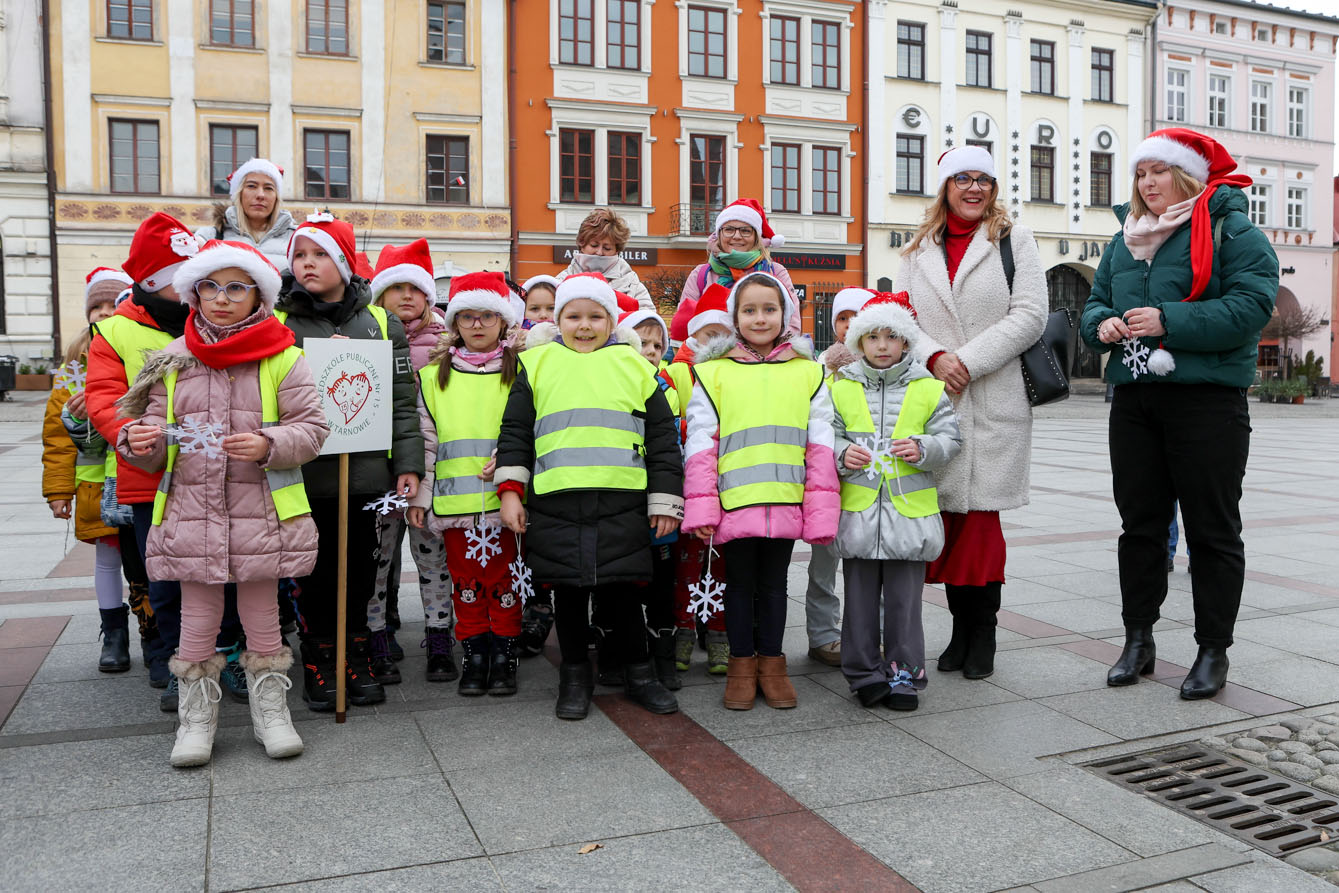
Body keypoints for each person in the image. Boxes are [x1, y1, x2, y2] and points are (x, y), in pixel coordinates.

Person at [118, 239, 328, 766]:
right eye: (210, 286)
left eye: (236, 287)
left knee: (261, 613)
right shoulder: (172, 360)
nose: (221, 297)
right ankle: (196, 721)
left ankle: (271, 712)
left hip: (264, 511)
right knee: (197, 616)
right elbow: (152, 433)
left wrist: (269, 443)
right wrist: (139, 441)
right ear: (194, 293)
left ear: (259, 295)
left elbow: (312, 429)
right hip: (192, 511)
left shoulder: (284, 357)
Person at [1082, 128, 1276, 699]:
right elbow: (1095, 302)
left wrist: (1169, 319)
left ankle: (1213, 650)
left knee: (1212, 530)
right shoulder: (1124, 238)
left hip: (1206, 401)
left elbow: (1251, 307)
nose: (1147, 183)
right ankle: (1137, 641)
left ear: (1186, 176)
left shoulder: (1232, 230)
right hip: (1135, 398)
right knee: (1140, 527)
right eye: (1141, 174)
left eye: (1158, 171)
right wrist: (1101, 325)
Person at [495, 273, 683, 721]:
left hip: (622, 501)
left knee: (623, 593)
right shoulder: (537, 365)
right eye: (573, 316)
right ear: (558, 321)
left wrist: (664, 501)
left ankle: (640, 674)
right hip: (557, 502)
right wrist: (510, 492)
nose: (584, 326)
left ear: (611, 322)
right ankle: (575, 677)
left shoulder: (635, 367)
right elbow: (516, 432)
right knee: (569, 595)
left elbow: (662, 440)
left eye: (595, 317)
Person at [894, 145, 1047, 681]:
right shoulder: (917, 249)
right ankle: (959, 632)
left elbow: (1030, 314)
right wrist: (935, 356)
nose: (974, 188)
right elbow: (899, 318)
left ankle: (982, 634)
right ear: (945, 187)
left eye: (984, 179)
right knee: (946, 520)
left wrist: (966, 361)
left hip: (992, 399)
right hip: (935, 400)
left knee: (980, 525)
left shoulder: (1014, 240)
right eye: (963, 178)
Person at [86, 213, 247, 711]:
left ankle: (231, 656)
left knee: (228, 572)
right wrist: (128, 432)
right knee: (167, 580)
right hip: (151, 478)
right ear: (153, 282)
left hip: (221, 474)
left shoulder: (221, 321)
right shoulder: (114, 331)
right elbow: (104, 397)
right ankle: (183, 663)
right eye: (179, 278)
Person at [274, 211, 424, 711]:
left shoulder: (380, 323)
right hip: (304, 473)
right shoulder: (278, 322)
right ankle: (319, 659)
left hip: (363, 474)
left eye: (320, 254)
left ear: (342, 261)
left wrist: (407, 463)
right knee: (313, 571)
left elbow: (402, 399)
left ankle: (356, 655)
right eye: (299, 254)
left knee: (362, 568)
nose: (307, 263)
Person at [683, 272, 839, 710]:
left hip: (785, 498)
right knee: (737, 586)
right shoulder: (712, 373)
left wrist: (820, 512)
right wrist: (703, 509)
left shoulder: (809, 372)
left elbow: (820, 445)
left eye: (769, 309)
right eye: (749, 310)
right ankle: (740, 666)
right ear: (735, 318)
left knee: (774, 586)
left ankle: (772, 664)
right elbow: (701, 445)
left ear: (785, 316)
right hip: (735, 501)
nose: (759, 318)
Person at [830, 293, 962, 711]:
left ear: (906, 341)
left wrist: (924, 448)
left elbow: (951, 439)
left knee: (905, 605)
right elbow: (825, 435)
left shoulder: (929, 388)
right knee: (859, 605)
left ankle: (904, 673)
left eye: (891, 336)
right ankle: (864, 674)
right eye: (873, 337)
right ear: (859, 342)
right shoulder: (841, 388)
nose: (882, 345)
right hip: (859, 514)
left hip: (910, 517)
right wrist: (840, 452)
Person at [408, 272, 524, 696]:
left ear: (503, 321)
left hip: (505, 500)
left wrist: (509, 462)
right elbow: (426, 441)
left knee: (505, 581)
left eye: (487, 316)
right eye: (467, 316)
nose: (477, 324)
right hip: (454, 505)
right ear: (454, 322)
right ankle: (474, 652)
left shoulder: (521, 371)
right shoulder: (432, 376)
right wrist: (421, 496)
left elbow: (528, 429)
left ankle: (505, 653)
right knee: (466, 584)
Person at [42, 267, 152, 673]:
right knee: (107, 558)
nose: (104, 313)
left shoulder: (134, 349)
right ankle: (114, 633)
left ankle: (151, 628)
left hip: (134, 478)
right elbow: (56, 436)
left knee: (144, 559)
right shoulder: (75, 362)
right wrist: (59, 490)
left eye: (112, 304)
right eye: (96, 306)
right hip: (94, 486)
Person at [364, 239, 454, 684]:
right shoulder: (366, 337)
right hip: (380, 467)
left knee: (432, 556)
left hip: (430, 468)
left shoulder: (445, 344)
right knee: (378, 559)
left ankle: (439, 637)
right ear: (379, 295)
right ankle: (377, 635)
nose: (405, 296)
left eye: (414, 288)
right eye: (395, 288)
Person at [663, 285, 732, 676]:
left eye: (724, 334)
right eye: (710, 334)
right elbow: (667, 419)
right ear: (694, 335)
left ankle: (719, 632)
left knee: (721, 562)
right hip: (691, 479)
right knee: (687, 562)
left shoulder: (736, 369)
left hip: (729, 480)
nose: (717, 342)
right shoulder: (675, 372)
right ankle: (684, 629)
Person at [804, 286, 872, 670]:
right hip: (828, 483)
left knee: (869, 564)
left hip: (868, 481)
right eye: (842, 319)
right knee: (823, 564)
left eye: (855, 317)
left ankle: (871, 633)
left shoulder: (882, 365)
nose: (848, 325)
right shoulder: (822, 367)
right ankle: (823, 634)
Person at [619, 302, 682, 690]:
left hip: (659, 498)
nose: (651, 351)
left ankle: (663, 652)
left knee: (663, 582)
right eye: (642, 343)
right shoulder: (616, 384)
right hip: (623, 500)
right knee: (622, 580)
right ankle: (618, 649)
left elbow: (670, 448)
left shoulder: (667, 390)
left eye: (658, 346)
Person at [676, 199, 798, 329]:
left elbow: (791, 323)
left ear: (756, 237)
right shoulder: (701, 275)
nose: (737, 236)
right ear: (719, 234)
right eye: (729, 229)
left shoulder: (776, 272)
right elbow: (685, 325)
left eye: (745, 231)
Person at [195, 159, 297, 272]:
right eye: (252, 186)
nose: (260, 195)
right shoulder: (209, 236)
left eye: (268, 188)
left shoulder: (297, 238)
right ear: (239, 193)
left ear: (276, 197)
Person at [556, 209, 653, 310]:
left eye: (607, 248)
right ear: (582, 245)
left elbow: (649, 317)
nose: (599, 252)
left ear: (617, 251)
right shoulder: (561, 281)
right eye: (594, 245)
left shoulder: (631, 284)